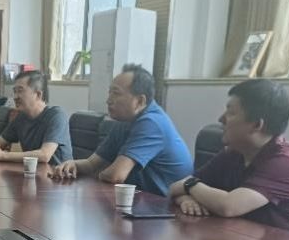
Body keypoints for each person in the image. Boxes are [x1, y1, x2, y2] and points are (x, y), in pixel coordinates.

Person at [168, 79, 289, 240]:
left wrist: (189, 187)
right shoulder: (234, 153)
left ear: (256, 125)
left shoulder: (286, 162)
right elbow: (176, 188)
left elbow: (229, 206)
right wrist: (186, 198)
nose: (221, 119)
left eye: (231, 113)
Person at [53, 64, 193, 196]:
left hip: (170, 206)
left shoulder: (152, 123)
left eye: (116, 93)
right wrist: (72, 164)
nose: (108, 100)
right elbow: (91, 164)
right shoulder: (124, 121)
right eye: (110, 92)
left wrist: (97, 175)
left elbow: (116, 175)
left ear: (140, 101)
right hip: (140, 201)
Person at [0, 70, 72, 167]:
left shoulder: (56, 115)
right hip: (32, 172)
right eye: (14, 91)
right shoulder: (21, 118)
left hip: (57, 174)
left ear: (38, 95)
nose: (15, 97)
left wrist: (3, 155)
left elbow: (45, 155)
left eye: (20, 91)